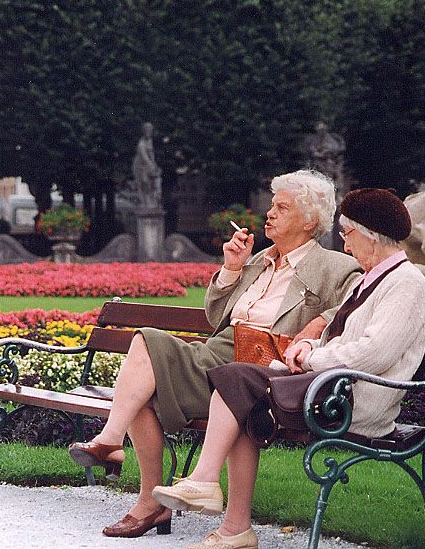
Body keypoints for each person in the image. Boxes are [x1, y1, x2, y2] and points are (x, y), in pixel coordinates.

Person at [68, 170, 362, 538]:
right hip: (217, 354)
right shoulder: (257, 262)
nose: (269, 213)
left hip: (260, 366)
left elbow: (356, 307)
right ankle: (135, 479)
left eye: (281, 207)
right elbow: (214, 318)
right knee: (145, 359)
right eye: (272, 205)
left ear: (310, 221)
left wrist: (318, 321)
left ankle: (119, 458)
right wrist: (231, 269)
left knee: (149, 371)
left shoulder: (335, 266)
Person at [151, 188, 425, 549]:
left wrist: (312, 358)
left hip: (355, 403)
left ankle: (208, 484)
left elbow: (375, 353)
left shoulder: (406, 283)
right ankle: (233, 528)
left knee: (240, 380)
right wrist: (308, 345)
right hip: (332, 388)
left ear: (370, 235)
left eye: (347, 235)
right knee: (240, 386)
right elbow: (342, 340)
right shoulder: (372, 279)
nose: (345, 246)